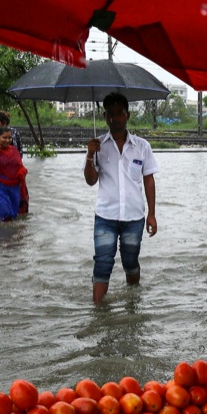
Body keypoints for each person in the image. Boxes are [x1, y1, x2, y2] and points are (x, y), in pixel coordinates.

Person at [83, 92, 158, 304]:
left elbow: (149, 181)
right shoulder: (97, 146)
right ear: (104, 116)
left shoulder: (142, 146)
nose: (114, 118)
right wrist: (90, 155)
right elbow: (90, 180)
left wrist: (152, 215)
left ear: (128, 115)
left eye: (119, 113)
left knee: (131, 262)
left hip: (134, 217)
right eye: (110, 114)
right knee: (102, 264)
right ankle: (98, 313)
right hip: (105, 215)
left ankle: (133, 304)